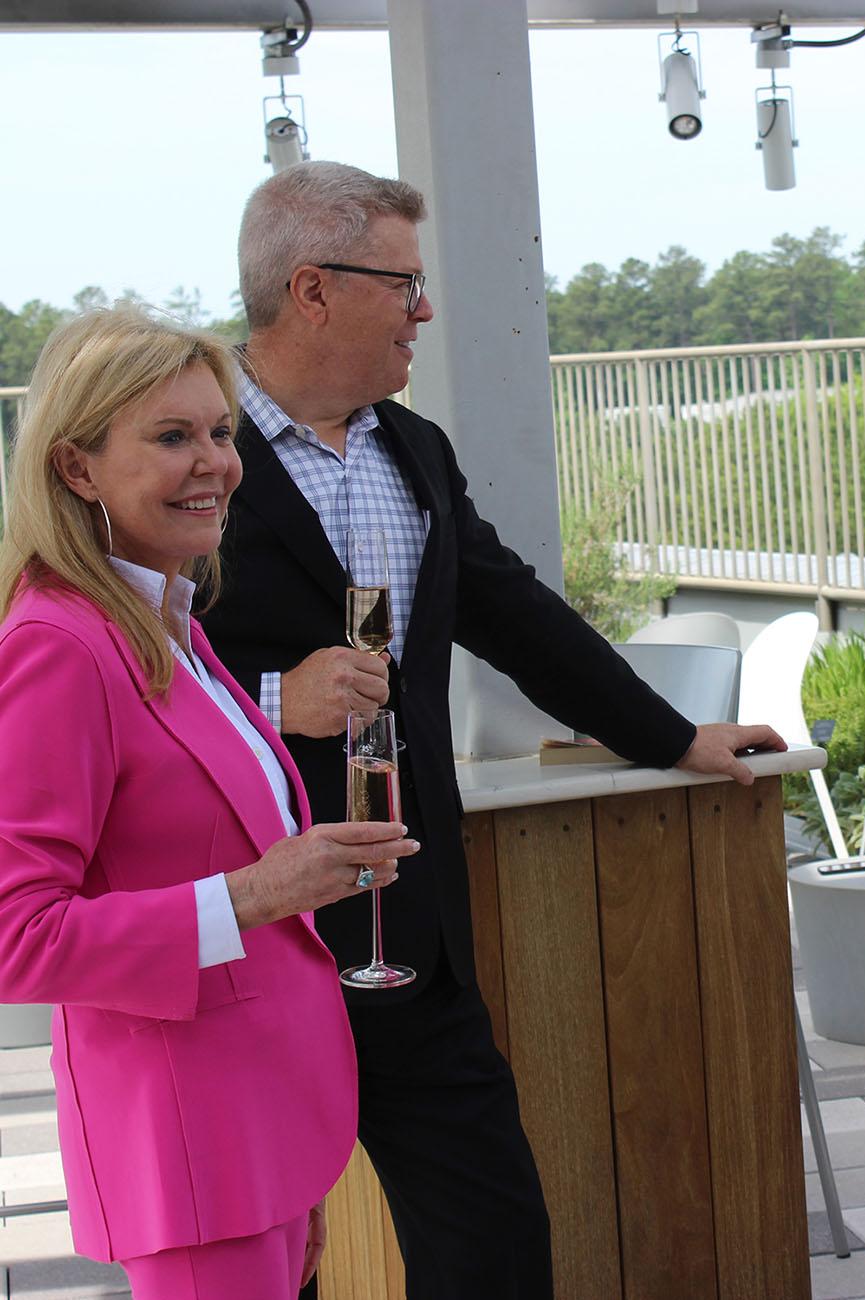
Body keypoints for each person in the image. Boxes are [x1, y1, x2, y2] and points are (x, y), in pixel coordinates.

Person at [200, 159, 784, 1300]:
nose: (425, 311)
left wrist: (675, 737)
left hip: (412, 936)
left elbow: (515, 614)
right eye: (403, 284)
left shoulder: (414, 451)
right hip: (256, 933)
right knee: (273, 1263)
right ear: (312, 290)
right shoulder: (185, 450)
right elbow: (118, 665)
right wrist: (276, 699)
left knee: (494, 1246)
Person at [0, 306, 419, 1300]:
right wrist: (255, 893)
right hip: (188, 1143)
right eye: (172, 436)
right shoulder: (59, 644)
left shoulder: (166, 619)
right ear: (77, 468)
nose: (215, 463)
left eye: (221, 432)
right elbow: (16, 934)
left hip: (256, 1129)